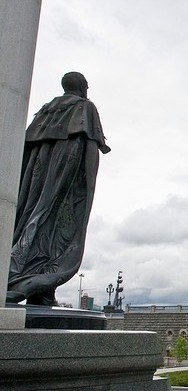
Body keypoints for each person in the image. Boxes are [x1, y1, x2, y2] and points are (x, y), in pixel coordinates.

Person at [6, 72, 110, 305]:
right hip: (65, 183)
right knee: (56, 228)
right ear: (82, 86)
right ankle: (27, 283)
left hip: (35, 184)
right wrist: (87, 185)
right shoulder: (85, 107)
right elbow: (90, 148)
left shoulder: (45, 110)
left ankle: (42, 291)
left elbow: (26, 149)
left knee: (33, 220)